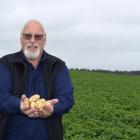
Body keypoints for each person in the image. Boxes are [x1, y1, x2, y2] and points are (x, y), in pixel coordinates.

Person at [0, 19, 74, 140]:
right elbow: (1, 95)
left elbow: (67, 98)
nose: (32, 40)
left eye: (38, 37)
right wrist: (19, 105)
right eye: (27, 36)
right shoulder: (5, 63)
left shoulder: (57, 65)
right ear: (21, 39)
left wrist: (52, 109)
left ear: (44, 41)